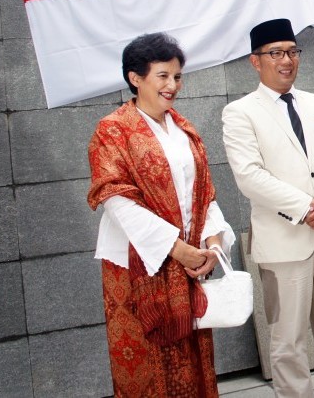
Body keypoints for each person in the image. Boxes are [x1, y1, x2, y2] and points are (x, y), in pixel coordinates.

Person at [87, 33, 236, 397]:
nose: (172, 85)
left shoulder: (184, 128)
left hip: (188, 263)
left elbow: (204, 195)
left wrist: (213, 244)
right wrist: (177, 248)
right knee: (146, 364)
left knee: (193, 357)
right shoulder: (113, 130)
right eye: (162, 76)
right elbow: (117, 199)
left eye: (177, 76)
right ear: (135, 78)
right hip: (138, 266)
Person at [222, 18, 314, 397]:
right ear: (255, 61)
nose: (287, 60)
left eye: (293, 51)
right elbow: (249, 176)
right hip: (284, 241)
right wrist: (306, 208)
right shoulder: (240, 112)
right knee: (289, 342)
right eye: (276, 53)